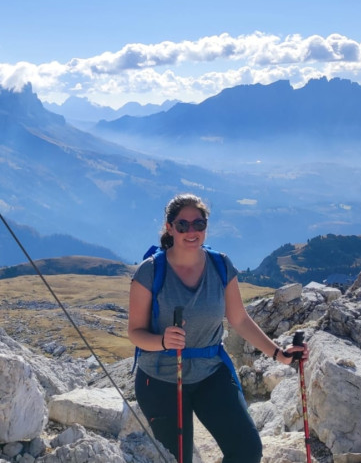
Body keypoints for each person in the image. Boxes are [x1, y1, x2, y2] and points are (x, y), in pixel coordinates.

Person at [128, 193, 307, 463]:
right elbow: (135, 333)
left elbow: (239, 319)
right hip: (161, 379)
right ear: (170, 228)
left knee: (247, 451)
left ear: (206, 227)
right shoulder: (149, 272)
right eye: (182, 225)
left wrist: (279, 354)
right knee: (178, 460)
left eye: (198, 224)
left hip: (211, 373)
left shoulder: (220, 265)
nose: (191, 231)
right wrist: (163, 341)